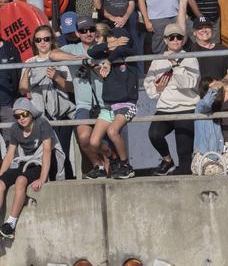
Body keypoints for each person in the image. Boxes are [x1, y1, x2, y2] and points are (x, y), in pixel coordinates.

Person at [49, 17, 115, 179]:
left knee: (101, 144)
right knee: (84, 138)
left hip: (105, 104)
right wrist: (76, 59)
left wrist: (95, 63)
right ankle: (98, 164)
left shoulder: (103, 48)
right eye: (84, 31)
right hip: (83, 104)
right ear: (77, 33)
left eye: (91, 30)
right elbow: (52, 54)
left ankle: (111, 159)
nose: (88, 33)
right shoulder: (73, 49)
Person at [18, 25, 75, 179]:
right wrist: (26, 74)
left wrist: (56, 77)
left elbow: (71, 87)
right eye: (38, 40)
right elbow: (23, 90)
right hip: (40, 117)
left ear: (52, 41)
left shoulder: (60, 59)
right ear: (34, 43)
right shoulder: (29, 62)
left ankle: (67, 182)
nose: (42, 42)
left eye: (46, 39)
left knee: (62, 151)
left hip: (61, 113)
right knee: (46, 153)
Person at [144, 23, 200, 175]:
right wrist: (157, 89)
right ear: (165, 40)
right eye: (172, 37)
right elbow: (149, 84)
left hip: (186, 108)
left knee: (184, 152)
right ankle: (168, 161)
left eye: (179, 37)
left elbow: (189, 84)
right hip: (165, 108)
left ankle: (185, 182)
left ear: (183, 39)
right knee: (154, 134)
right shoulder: (157, 61)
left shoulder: (190, 59)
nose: (175, 40)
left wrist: (175, 65)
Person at [87, 27, 138, 179]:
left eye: (115, 39)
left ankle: (126, 164)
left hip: (127, 104)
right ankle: (114, 158)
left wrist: (108, 61)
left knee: (112, 132)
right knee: (94, 142)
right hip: (108, 106)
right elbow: (91, 52)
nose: (112, 42)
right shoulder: (106, 52)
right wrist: (108, 48)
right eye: (109, 40)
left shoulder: (129, 53)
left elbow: (122, 51)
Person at [0, 98, 55, 239]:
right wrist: (1, 175)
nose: (21, 119)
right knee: (0, 184)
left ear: (30, 112)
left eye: (24, 114)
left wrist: (43, 178)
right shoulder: (14, 128)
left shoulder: (42, 123)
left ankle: (10, 224)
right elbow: (10, 155)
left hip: (39, 162)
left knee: (20, 180)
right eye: (17, 116)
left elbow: (47, 151)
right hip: (23, 162)